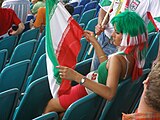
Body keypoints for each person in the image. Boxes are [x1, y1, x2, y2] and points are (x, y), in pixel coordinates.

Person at [44, 11, 148, 114]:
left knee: (51, 105)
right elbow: (108, 67)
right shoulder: (133, 56)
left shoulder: (117, 60)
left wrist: (76, 77)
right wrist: (95, 43)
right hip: (91, 89)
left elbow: (110, 93)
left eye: (117, 32)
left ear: (128, 36)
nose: (112, 35)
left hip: (87, 90)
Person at [91, 0, 160, 71]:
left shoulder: (152, 1)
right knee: (94, 73)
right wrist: (101, 23)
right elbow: (104, 9)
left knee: (107, 74)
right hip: (104, 37)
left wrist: (158, 60)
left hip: (124, 47)